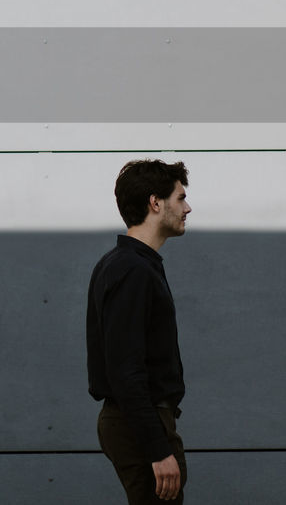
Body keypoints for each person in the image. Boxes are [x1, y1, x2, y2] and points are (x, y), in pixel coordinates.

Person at [86, 159, 191, 504]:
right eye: (180, 197)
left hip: (137, 420)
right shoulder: (132, 270)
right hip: (138, 423)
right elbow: (125, 368)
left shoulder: (127, 265)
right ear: (155, 203)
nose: (187, 207)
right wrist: (157, 450)